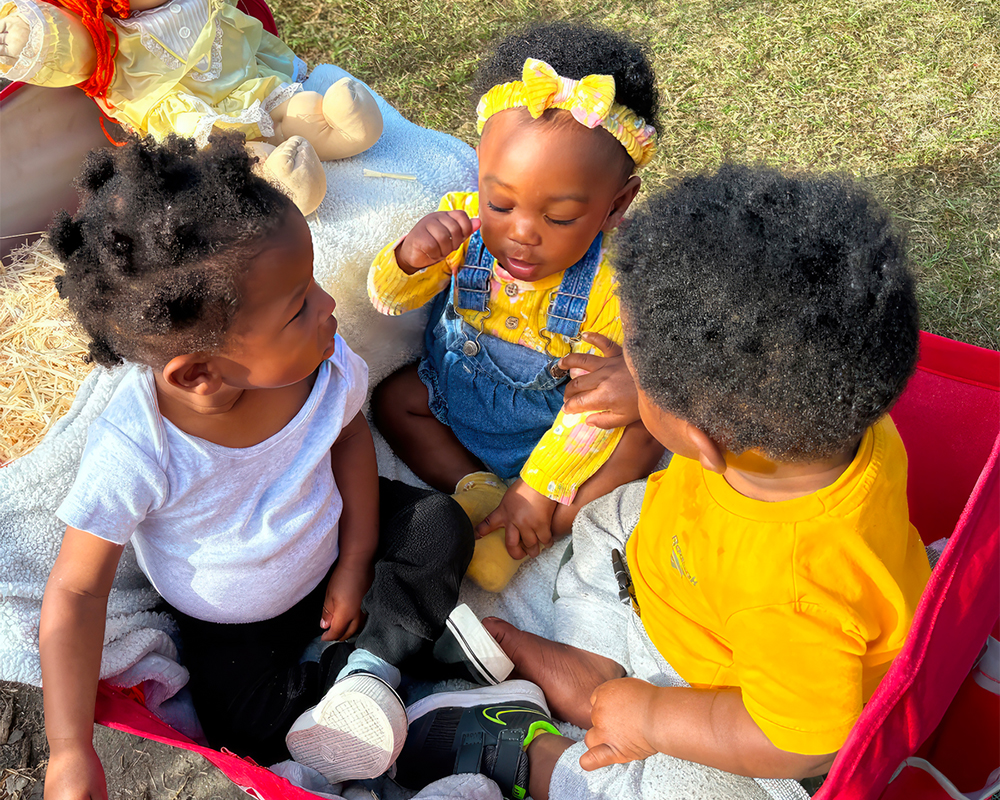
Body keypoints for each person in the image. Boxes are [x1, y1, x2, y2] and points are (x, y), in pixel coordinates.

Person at [392, 165, 933, 800]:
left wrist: (652, 718)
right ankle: (592, 663)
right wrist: (644, 385)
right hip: (677, 578)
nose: (628, 371)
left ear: (700, 442)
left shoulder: (793, 589)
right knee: (611, 517)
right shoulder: (831, 414)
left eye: (637, 367)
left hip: (728, 693)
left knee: (707, 789)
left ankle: (536, 758)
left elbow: (800, 738)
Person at [38, 133, 497, 799]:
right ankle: (393, 665)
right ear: (200, 372)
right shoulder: (138, 448)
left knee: (437, 524)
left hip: (337, 547)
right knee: (244, 731)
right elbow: (76, 592)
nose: (329, 307)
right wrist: (69, 748)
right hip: (236, 624)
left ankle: (371, 673)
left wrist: (355, 559)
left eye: (312, 285)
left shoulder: (321, 359)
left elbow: (348, 440)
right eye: (299, 306)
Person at [367, 21, 665, 592]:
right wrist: (410, 258)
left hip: (554, 433)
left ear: (615, 205)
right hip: (457, 402)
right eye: (500, 201)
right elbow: (384, 301)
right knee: (396, 399)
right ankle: (477, 487)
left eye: (558, 219)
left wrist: (538, 487)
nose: (522, 233)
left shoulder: (609, 289)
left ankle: (554, 524)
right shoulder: (459, 224)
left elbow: (591, 408)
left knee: (635, 435)